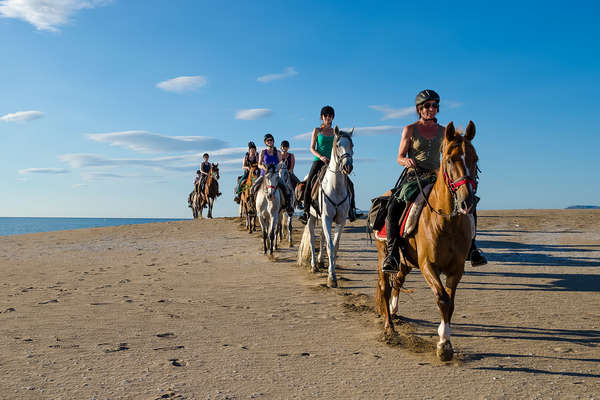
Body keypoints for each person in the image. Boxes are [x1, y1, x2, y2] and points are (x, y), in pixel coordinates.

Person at [381, 90, 487, 272]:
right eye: (427, 106)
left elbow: (453, 156)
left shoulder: (446, 132)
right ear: (419, 109)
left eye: (434, 106)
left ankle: (472, 248)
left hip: (438, 176)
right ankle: (392, 254)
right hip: (414, 176)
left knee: (469, 203)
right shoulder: (410, 129)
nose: (431, 109)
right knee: (393, 206)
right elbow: (399, 156)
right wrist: (405, 160)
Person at [298, 105, 356, 224]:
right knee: (309, 183)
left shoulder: (336, 132)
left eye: (330, 116)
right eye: (326, 116)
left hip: (333, 162)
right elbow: (311, 148)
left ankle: (351, 210)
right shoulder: (317, 130)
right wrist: (320, 157)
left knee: (350, 184)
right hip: (318, 160)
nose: (328, 118)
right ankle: (306, 212)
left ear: (333, 117)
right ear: (322, 117)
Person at [250, 133, 294, 213]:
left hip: (275, 176)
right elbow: (259, 164)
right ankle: (252, 207)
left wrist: (278, 168)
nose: (269, 141)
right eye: (268, 140)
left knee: (286, 189)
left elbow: (281, 163)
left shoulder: (278, 152)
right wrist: (264, 168)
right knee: (252, 188)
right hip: (264, 175)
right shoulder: (263, 152)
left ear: (273, 141)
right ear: (265, 142)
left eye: (271, 140)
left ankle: (288, 206)